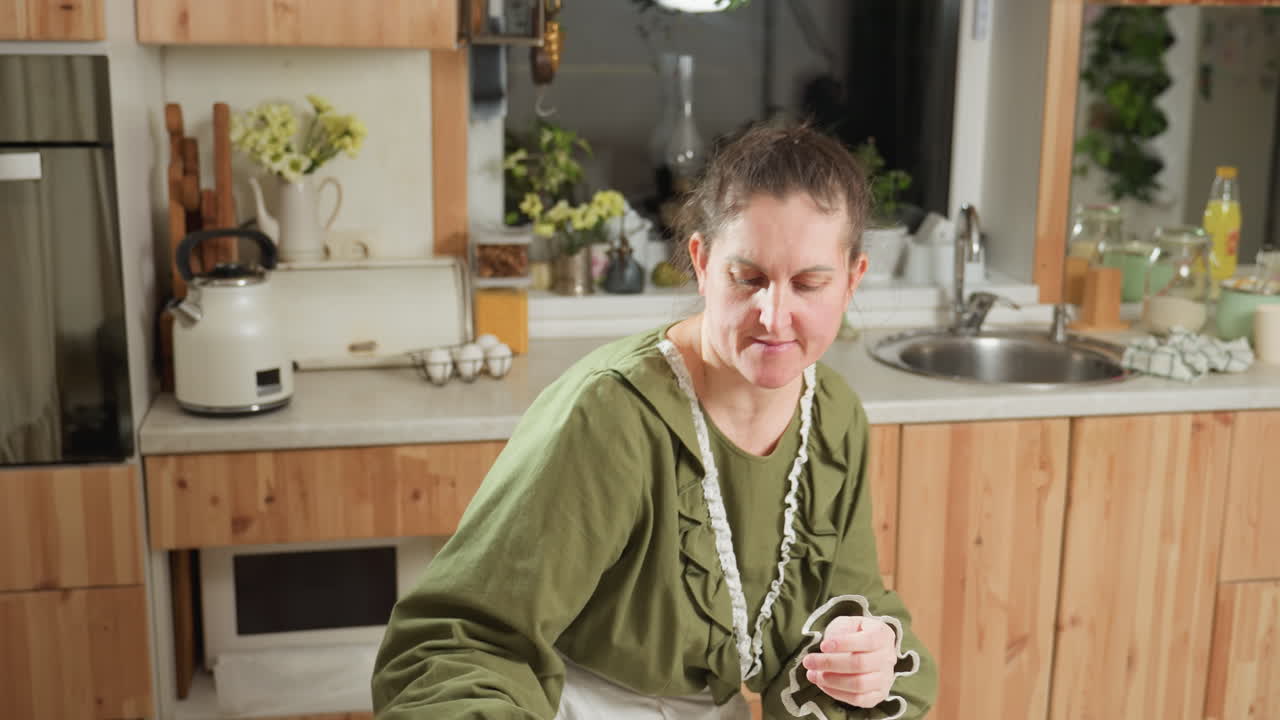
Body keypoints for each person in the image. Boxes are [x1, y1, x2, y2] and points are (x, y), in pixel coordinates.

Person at [372, 123, 937, 719]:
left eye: (809, 283)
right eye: (747, 279)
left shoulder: (833, 416)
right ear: (700, 262)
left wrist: (859, 661)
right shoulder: (610, 415)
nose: (774, 315)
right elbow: (463, 639)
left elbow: (841, 609)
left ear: (852, 280)